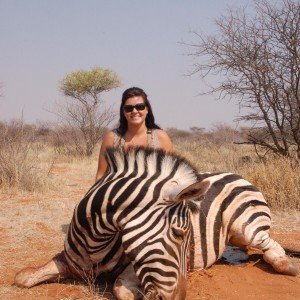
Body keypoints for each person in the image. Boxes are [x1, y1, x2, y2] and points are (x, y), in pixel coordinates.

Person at [95, 87, 173, 182]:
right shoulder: (112, 138)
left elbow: (172, 174)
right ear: (123, 112)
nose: (134, 111)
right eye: (129, 108)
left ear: (147, 109)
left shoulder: (161, 137)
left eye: (140, 107)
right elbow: (100, 175)